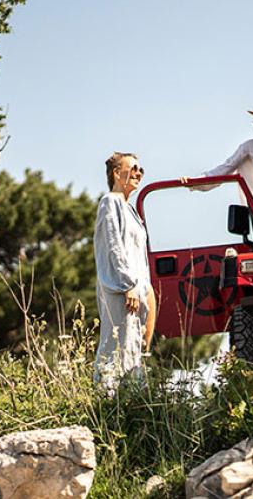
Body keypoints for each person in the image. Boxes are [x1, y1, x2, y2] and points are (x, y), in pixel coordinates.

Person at [93, 152, 157, 391]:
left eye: (141, 169)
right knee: (114, 345)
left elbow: (138, 256)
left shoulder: (131, 210)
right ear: (117, 174)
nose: (139, 173)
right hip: (121, 289)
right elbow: (113, 245)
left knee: (133, 349)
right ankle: (104, 403)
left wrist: (144, 291)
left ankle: (132, 406)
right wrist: (127, 284)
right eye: (133, 168)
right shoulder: (110, 202)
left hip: (136, 293)